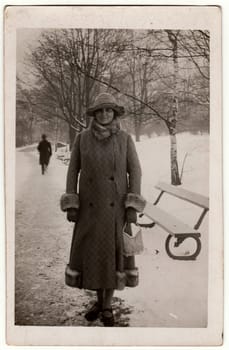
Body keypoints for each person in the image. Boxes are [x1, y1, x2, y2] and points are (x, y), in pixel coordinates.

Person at [60, 93, 142, 327]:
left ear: (115, 114)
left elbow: (135, 171)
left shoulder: (125, 139)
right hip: (89, 209)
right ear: (94, 114)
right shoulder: (82, 139)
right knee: (94, 257)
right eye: (100, 111)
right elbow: (72, 171)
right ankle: (99, 301)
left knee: (112, 257)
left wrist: (132, 206)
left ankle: (106, 305)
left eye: (109, 111)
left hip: (115, 211)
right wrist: (72, 203)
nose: (105, 114)